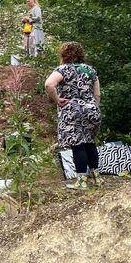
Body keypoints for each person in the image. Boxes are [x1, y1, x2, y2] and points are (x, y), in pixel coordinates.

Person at [44, 42, 102, 190]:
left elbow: (49, 85)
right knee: (90, 142)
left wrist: (57, 100)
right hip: (92, 109)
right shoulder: (90, 70)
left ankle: (81, 182)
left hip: (72, 111)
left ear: (64, 55)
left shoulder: (62, 70)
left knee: (78, 145)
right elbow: (97, 94)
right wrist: (92, 107)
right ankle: (97, 178)